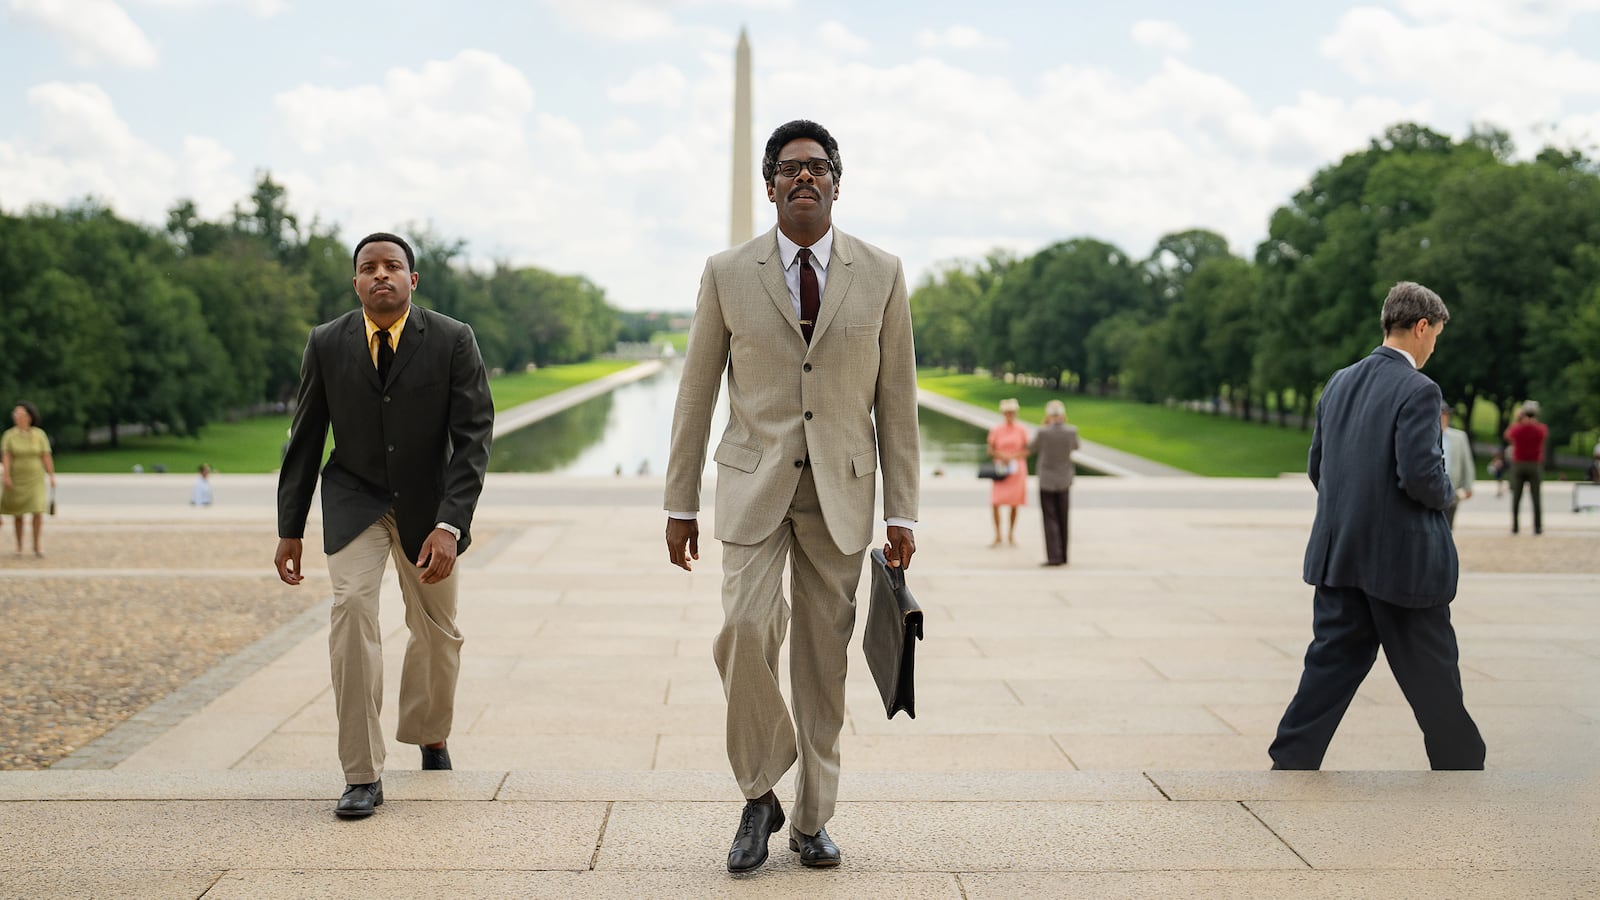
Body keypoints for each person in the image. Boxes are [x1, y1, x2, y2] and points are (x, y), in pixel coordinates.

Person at [664, 119, 919, 874]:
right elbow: (695, 390)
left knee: (821, 663)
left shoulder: (882, 271)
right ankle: (758, 791)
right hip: (753, 483)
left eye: (815, 167)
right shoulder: (725, 271)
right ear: (769, 183)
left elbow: (897, 399)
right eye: (787, 168)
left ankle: (811, 819)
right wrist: (679, 501)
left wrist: (902, 510)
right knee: (744, 630)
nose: (802, 178)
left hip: (841, 490)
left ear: (838, 181)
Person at [275, 232, 494, 819]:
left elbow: (474, 439)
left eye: (392, 266)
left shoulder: (452, 339)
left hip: (430, 507)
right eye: (368, 267)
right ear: (355, 282)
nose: (381, 275)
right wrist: (289, 527)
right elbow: (305, 438)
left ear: (412, 280)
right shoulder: (326, 343)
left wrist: (450, 525)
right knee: (351, 613)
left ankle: (429, 731)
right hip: (355, 500)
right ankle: (361, 773)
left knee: (437, 631)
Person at [1270, 281, 1484, 771]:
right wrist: (1449, 493)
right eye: (1436, 336)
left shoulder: (1339, 382)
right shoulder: (1419, 389)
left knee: (1329, 668)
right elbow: (1422, 477)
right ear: (1422, 326)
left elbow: (1318, 468)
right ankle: (1462, 766)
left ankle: (1292, 758)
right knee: (1433, 677)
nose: (1433, 348)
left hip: (1340, 556)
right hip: (1402, 565)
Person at [1, 401, 56, 557]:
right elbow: (6, 457)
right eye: (15, 413)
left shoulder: (39, 435)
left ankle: (37, 544)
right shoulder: (9, 435)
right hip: (17, 477)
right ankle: (19, 545)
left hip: (35, 478)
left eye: (21, 414)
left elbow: (45, 455)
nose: (17, 416)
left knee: (38, 510)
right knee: (18, 513)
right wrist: (6, 476)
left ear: (29, 417)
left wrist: (51, 475)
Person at [1030, 399, 1079, 566]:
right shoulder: (1071, 431)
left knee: (1050, 518)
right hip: (1064, 479)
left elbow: (1032, 447)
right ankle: (1064, 555)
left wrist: (1045, 425)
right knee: (1063, 517)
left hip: (1047, 480)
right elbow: (1075, 447)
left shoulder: (1043, 432)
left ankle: (1054, 556)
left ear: (1049, 415)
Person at [986, 398, 1029, 546]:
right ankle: (997, 534)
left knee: (1014, 503)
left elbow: (1026, 449)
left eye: (1012, 412)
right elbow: (990, 449)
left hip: (1017, 469)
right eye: (1007, 412)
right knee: (995, 502)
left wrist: (1013, 456)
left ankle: (1011, 534)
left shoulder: (1021, 429)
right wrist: (1002, 456)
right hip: (1001, 469)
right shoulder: (997, 429)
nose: (1009, 414)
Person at [1504, 400, 1548, 535]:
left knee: (1516, 497)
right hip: (1534, 464)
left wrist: (1518, 420)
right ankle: (1538, 526)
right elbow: (1544, 436)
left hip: (1519, 464)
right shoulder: (1541, 428)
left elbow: (1507, 435)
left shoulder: (1517, 428)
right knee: (1536, 498)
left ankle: (1515, 526)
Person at [1440, 405, 1473, 530]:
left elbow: (1466, 461)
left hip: (1452, 486)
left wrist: (1468, 485)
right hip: (1433, 486)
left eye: (1444, 415)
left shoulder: (1459, 437)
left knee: (1449, 524)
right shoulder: (1427, 436)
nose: (1442, 418)